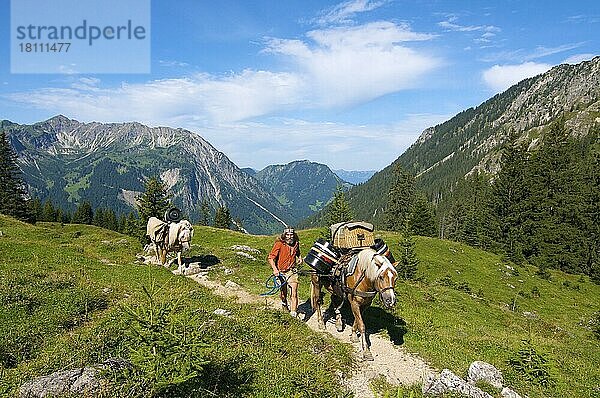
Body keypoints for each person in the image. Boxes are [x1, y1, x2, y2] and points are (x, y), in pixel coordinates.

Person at [268, 227, 301, 317]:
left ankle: (293, 313)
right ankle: (284, 303)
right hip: (281, 272)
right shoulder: (279, 244)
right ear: (284, 235)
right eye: (288, 235)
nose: (290, 237)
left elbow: (297, 252)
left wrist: (299, 257)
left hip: (292, 271)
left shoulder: (296, 243)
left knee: (294, 293)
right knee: (283, 293)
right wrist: (275, 269)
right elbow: (271, 258)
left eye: (291, 235)